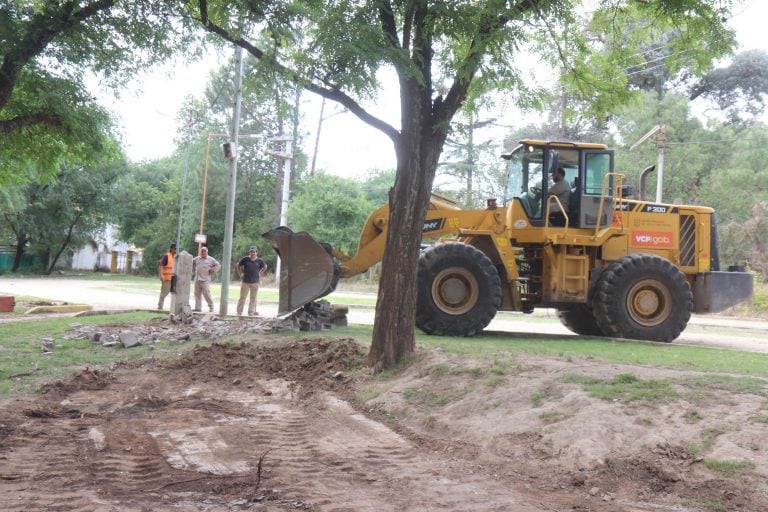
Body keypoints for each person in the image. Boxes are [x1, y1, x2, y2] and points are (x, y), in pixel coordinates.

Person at [236, 246, 268, 316]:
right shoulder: (245, 259)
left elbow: (265, 266)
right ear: (249, 252)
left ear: (256, 253)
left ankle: (251, 312)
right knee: (242, 297)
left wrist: (260, 273)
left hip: (255, 282)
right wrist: (240, 273)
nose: (252, 253)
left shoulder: (260, 260)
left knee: (253, 298)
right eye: (251, 252)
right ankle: (239, 312)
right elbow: (238, 265)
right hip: (245, 282)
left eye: (254, 252)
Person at [192, 246, 221, 312]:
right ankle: (198, 308)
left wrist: (213, 270)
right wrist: (193, 268)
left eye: (204, 251)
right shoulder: (197, 258)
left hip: (205, 279)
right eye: (201, 251)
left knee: (206, 294)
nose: (202, 252)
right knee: (197, 294)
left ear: (207, 252)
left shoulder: (211, 259)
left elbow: (218, 265)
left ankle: (211, 307)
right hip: (197, 279)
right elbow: (191, 261)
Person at [157, 243, 176, 310]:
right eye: (174, 249)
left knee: (174, 292)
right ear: (171, 249)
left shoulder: (175, 257)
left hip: (173, 278)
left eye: (176, 249)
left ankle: (173, 308)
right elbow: (161, 265)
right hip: (166, 277)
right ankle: (160, 306)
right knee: (164, 292)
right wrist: (161, 275)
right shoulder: (167, 256)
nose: (176, 250)